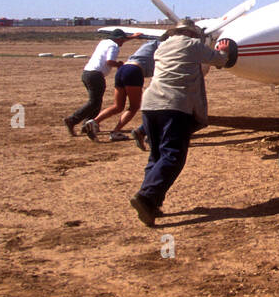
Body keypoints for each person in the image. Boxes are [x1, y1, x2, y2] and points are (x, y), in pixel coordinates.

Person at [129, 24, 237, 227]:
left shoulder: (161, 46)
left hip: (150, 104)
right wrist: (223, 48)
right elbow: (219, 60)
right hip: (174, 104)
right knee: (173, 156)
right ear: (192, 34)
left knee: (157, 155)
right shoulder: (192, 44)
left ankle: (152, 203)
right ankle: (147, 196)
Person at [64, 29, 134, 137]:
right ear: (119, 39)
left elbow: (119, 39)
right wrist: (119, 64)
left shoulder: (104, 42)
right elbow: (109, 61)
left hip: (87, 73)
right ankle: (72, 120)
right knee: (94, 102)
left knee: (96, 102)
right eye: (122, 41)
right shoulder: (114, 46)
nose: (122, 43)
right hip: (96, 75)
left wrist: (132, 37)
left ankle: (87, 126)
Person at [88, 36, 160, 142]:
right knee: (134, 107)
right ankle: (116, 131)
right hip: (134, 71)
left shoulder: (149, 44)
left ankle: (94, 122)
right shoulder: (163, 45)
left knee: (117, 106)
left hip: (123, 69)